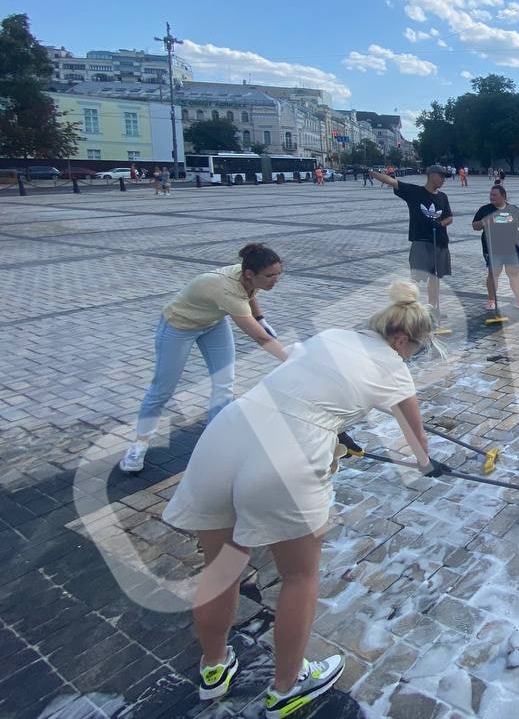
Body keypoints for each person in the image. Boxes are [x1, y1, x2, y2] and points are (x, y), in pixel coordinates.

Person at [162, 281, 449, 717]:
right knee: (299, 577)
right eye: (415, 350)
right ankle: (288, 685)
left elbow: (306, 387)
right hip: (286, 457)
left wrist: (337, 426)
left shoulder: (331, 336)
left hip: (229, 434)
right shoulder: (395, 367)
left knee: (221, 567)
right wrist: (428, 465)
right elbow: (415, 440)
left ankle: (214, 668)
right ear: (401, 338)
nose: (411, 357)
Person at [120, 244, 289, 473]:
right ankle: (138, 445)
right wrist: (291, 359)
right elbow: (260, 339)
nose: (275, 280)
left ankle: (215, 441)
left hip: (213, 323)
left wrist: (260, 317)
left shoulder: (247, 275)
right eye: (270, 276)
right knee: (163, 389)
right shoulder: (225, 288)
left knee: (224, 382)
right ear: (250, 273)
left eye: (278, 274)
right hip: (179, 326)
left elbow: (248, 294)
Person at [371, 164, 453, 321]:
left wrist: (441, 224)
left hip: (440, 242)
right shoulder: (415, 192)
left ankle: (432, 309)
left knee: (435, 278)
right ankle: (407, 311)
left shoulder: (443, 197)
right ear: (431, 175)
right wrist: (370, 172)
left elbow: (449, 217)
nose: (443, 180)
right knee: (416, 278)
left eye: (445, 177)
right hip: (421, 242)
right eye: (441, 176)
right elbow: (392, 181)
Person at [472, 184, 519, 311]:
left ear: (503, 196)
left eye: (495, 195)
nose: (491, 197)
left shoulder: (513, 209)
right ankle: (491, 300)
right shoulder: (485, 209)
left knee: (514, 274)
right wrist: (484, 222)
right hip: (492, 248)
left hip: (512, 248)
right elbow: (475, 226)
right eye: (491, 195)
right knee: (493, 274)